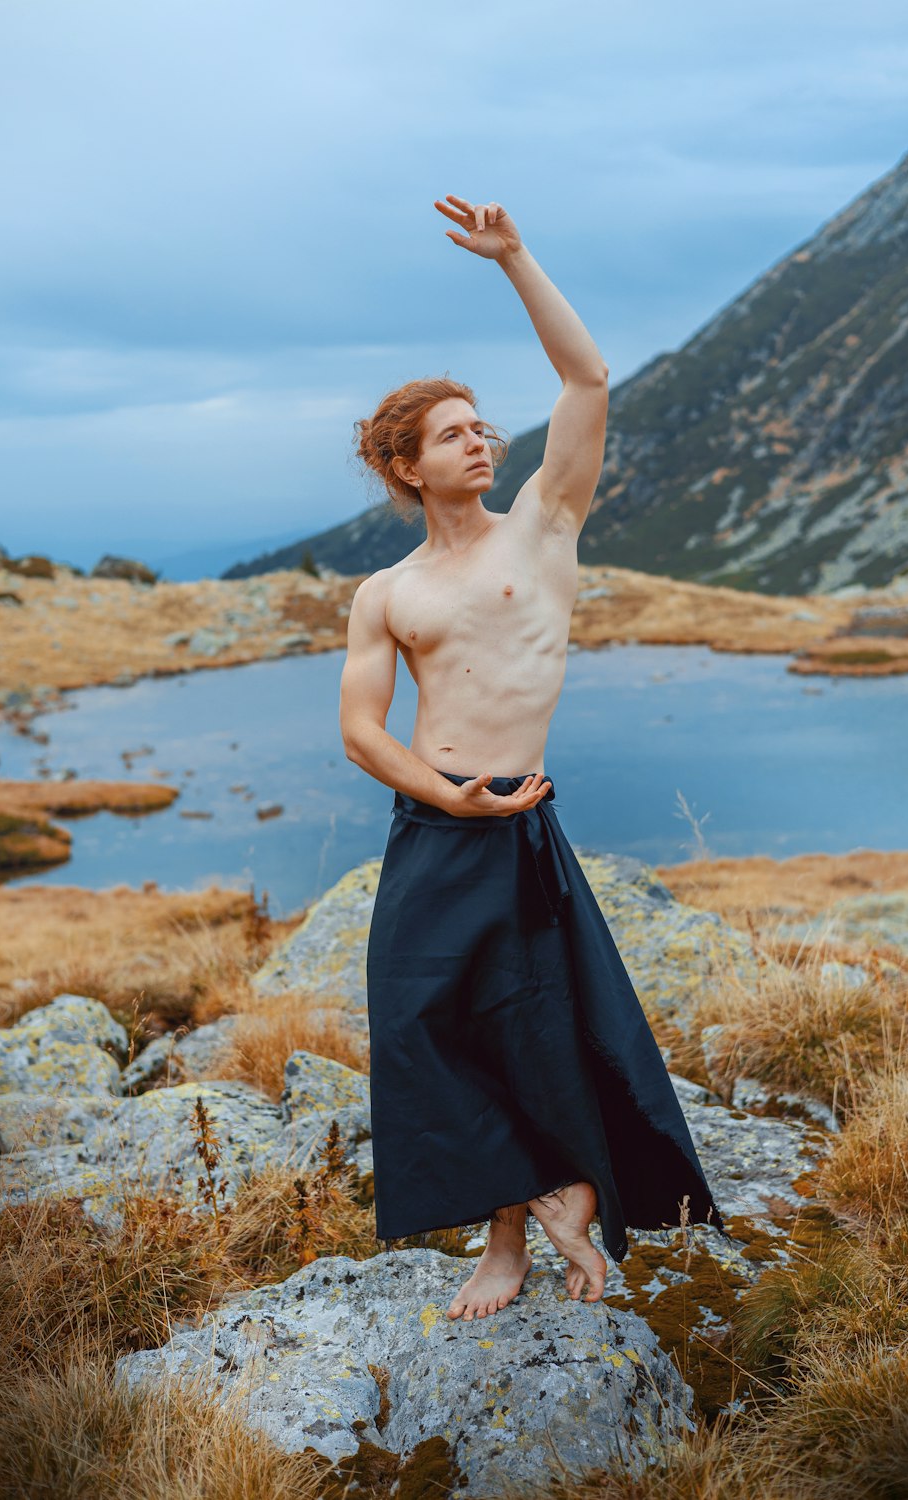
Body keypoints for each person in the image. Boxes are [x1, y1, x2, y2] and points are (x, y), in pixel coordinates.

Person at [340, 195, 730, 1325]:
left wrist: (514, 260)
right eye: (454, 432)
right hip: (432, 824)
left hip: (517, 819)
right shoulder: (387, 593)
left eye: (480, 425)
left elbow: (588, 384)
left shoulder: (542, 530)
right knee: (423, 1028)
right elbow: (362, 730)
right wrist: (440, 793)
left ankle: (541, 1217)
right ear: (408, 469)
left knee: (525, 1025)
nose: (482, 438)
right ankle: (516, 1223)